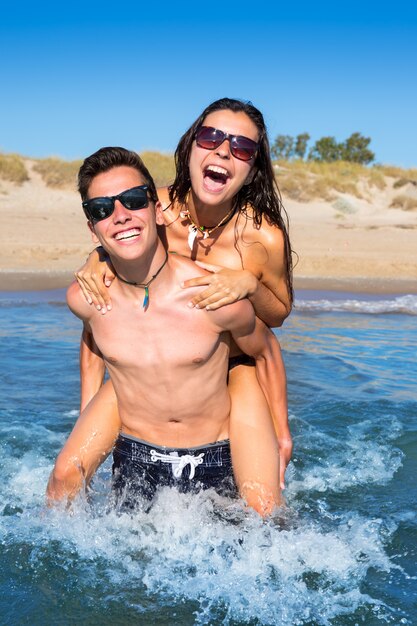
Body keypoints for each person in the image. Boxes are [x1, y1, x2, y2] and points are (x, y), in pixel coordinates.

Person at [71, 98, 293, 505]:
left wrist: (249, 283)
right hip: (153, 361)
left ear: (252, 167)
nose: (224, 150)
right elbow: (112, 240)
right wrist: (94, 259)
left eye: (242, 147)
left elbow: (276, 315)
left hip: (232, 362)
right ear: (191, 145)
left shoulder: (264, 236)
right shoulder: (151, 204)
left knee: (264, 504)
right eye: (211, 137)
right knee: (67, 476)